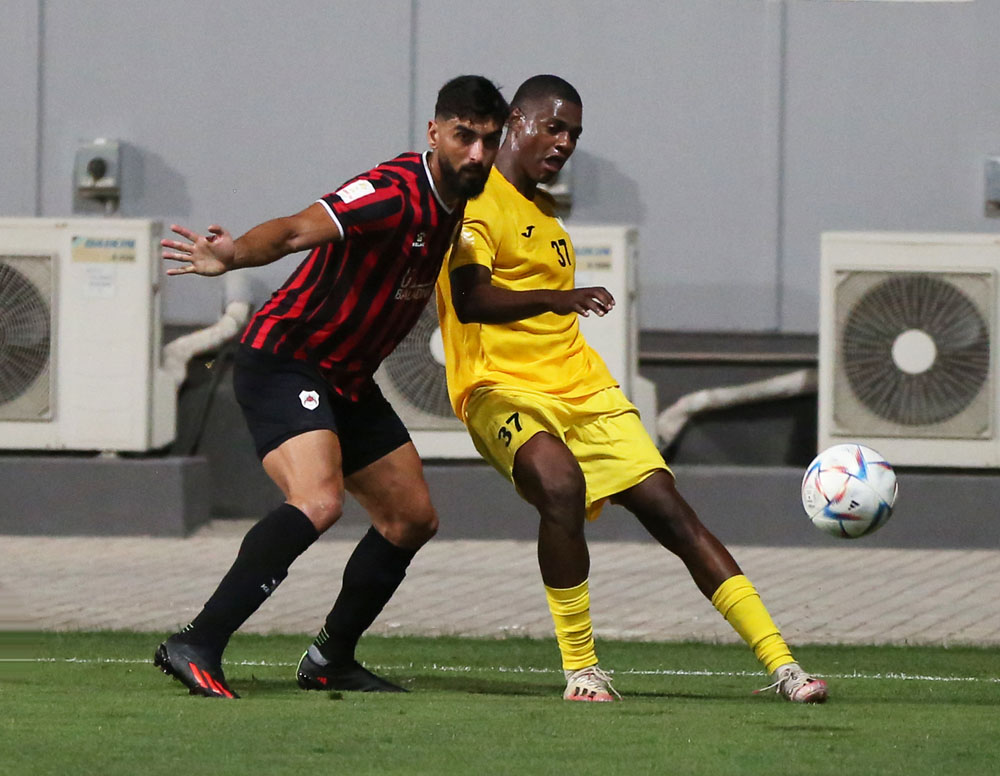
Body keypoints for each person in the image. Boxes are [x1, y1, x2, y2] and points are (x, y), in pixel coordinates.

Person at [436, 74, 828, 704]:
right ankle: (583, 670)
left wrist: (559, 303)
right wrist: (558, 297)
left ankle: (784, 666)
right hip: (499, 388)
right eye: (554, 127)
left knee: (672, 511)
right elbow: (471, 299)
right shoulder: (476, 202)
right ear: (515, 122)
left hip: (582, 387)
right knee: (560, 487)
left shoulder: (547, 216)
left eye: (574, 134)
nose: (565, 143)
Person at [155, 75, 508, 698]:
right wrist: (234, 255)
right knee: (318, 501)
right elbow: (295, 230)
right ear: (434, 133)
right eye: (463, 137)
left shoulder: (466, 201)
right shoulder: (393, 192)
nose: (476, 153)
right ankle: (198, 641)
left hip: (346, 376)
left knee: (410, 519)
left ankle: (329, 659)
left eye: (488, 139)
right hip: (287, 358)